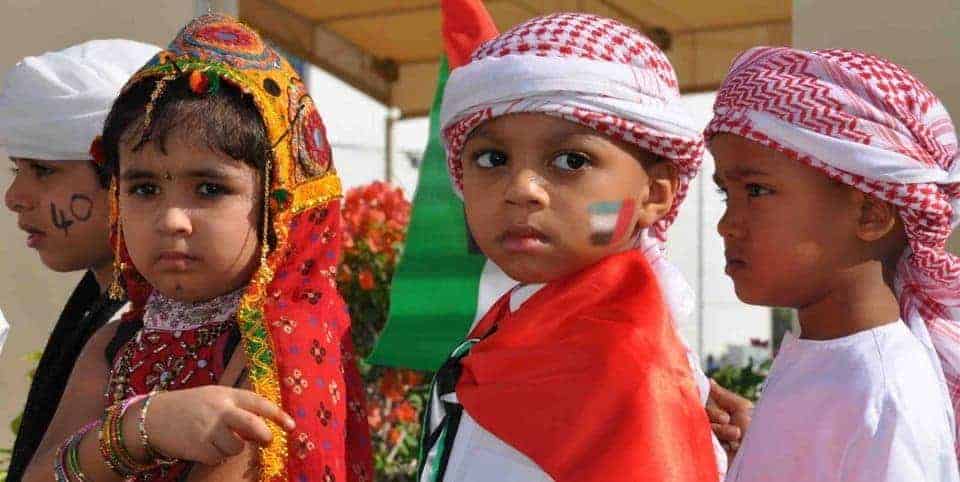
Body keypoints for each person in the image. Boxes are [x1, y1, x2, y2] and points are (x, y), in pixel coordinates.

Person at [22, 14, 371, 482]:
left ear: (278, 203)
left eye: (209, 190)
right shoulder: (114, 345)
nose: (171, 220)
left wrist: (113, 442)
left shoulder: (277, 346)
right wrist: (138, 430)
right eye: (144, 189)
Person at [416, 10, 723, 482]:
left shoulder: (633, 373)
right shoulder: (519, 318)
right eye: (492, 158)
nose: (522, 188)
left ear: (655, 194)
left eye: (570, 160)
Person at [706, 46, 960, 481]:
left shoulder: (883, 396)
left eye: (757, 191)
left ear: (870, 214)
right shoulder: (831, 363)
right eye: (725, 195)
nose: (727, 225)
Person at [0, 39, 159, 481]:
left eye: (43, 170)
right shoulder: (103, 301)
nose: (15, 198)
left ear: (121, 180)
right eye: (19, 170)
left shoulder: (159, 329)